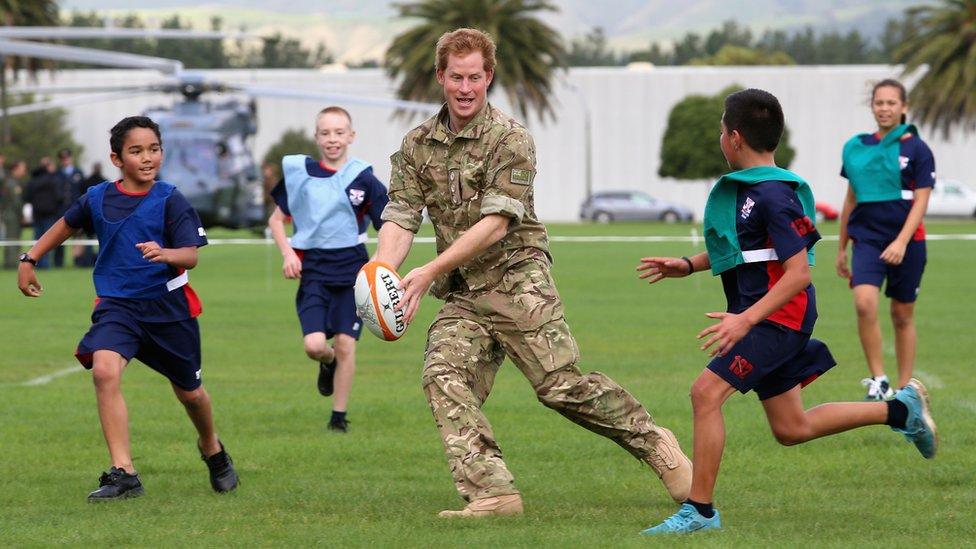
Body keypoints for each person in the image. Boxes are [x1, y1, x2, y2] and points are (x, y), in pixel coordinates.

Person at [374, 28, 692, 518]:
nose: (464, 88)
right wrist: (383, 274)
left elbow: (497, 223)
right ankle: (493, 494)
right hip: (465, 292)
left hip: (520, 281)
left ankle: (654, 442)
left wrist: (428, 269)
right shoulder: (417, 145)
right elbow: (401, 214)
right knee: (443, 374)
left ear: (489, 77)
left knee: (560, 388)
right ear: (440, 77)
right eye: (455, 77)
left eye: (474, 77)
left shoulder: (511, 138)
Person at [638, 89, 937, 535]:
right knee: (791, 427)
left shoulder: (775, 195)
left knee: (705, 394)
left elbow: (799, 274)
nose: (721, 138)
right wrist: (687, 265)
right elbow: (746, 252)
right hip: (769, 316)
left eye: (722, 130)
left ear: (734, 138)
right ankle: (900, 411)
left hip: (779, 319)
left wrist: (746, 318)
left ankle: (699, 513)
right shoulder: (751, 191)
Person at [17, 116, 238, 502]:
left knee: (191, 395)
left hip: (169, 311)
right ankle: (125, 473)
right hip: (118, 307)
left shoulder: (171, 198)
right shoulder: (98, 196)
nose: (147, 157)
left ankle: (211, 448)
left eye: (154, 149)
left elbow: (190, 256)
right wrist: (30, 257)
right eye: (136, 151)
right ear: (117, 158)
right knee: (104, 370)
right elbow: (66, 224)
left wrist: (165, 253)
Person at [267, 106, 388, 433]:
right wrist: (288, 253)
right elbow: (276, 221)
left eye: (339, 132)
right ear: (316, 136)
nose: (332, 139)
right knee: (314, 346)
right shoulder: (299, 174)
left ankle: (338, 417)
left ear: (351, 136)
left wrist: (377, 264)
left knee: (347, 344)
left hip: (352, 274)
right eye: (325, 133)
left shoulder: (363, 178)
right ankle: (327, 362)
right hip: (314, 274)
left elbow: (389, 226)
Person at [837, 79, 935, 400]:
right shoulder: (856, 148)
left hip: (908, 243)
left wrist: (902, 242)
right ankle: (879, 380)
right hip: (867, 239)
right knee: (864, 303)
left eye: (891, 103)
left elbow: (921, 200)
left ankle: (906, 389)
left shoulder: (917, 149)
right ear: (872, 107)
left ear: (904, 107)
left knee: (902, 314)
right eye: (879, 102)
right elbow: (850, 200)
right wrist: (841, 248)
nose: (884, 108)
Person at [23, 157, 62, 269]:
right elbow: (59, 196)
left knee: (37, 240)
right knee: (48, 240)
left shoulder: (33, 181)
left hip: (37, 214)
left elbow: (27, 197)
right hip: (50, 214)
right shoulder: (53, 180)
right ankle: (46, 264)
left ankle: (36, 263)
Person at [72, 161, 105, 267]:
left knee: (88, 239)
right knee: (101, 240)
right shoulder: (105, 182)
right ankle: (99, 260)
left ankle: (88, 260)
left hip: (88, 216)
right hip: (101, 216)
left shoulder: (86, 182)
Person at [2, 159, 28, 269]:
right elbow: (16, 202)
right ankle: (11, 264)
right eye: (22, 169)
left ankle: (11, 263)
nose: (24, 171)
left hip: (12, 215)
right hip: (12, 215)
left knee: (13, 239)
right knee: (12, 240)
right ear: (15, 169)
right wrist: (22, 215)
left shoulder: (13, 182)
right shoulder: (12, 183)